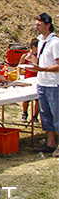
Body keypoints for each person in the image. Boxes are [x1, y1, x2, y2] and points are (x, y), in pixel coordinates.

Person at [27, 13, 58, 155]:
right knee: (45, 115)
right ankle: (50, 143)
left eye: (39, 25)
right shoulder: (40, 41)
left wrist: (42, 69)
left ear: (48, 25)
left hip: (54, 84)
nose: (36, 27)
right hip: (42, 82)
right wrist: (32, 62)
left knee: (56, 115)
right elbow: (40, 63)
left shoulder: (55, 42)